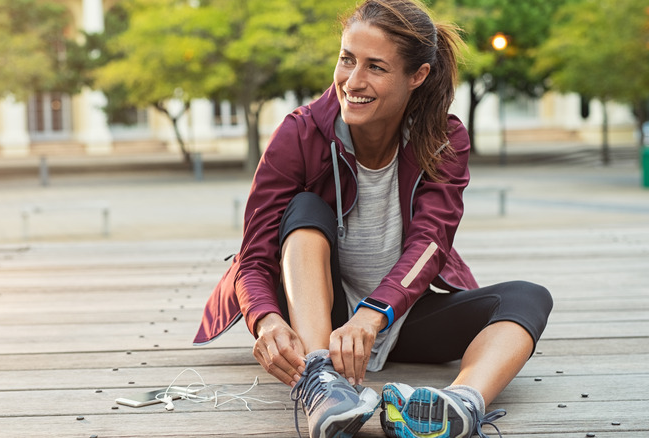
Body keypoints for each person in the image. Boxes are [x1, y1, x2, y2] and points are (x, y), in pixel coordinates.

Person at [194, 0, 553, 437]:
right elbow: (253, 257)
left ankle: (461, 405)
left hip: (400, 315)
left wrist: (374, 314)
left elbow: (431, 245)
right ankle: (321, 380)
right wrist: (266, 319)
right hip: (321, 321)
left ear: (416, 76)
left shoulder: (444, 139)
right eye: (347, 60)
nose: (353, 81)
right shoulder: (299, 133)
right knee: (304, 209)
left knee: (528, 297)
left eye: (376, 67)